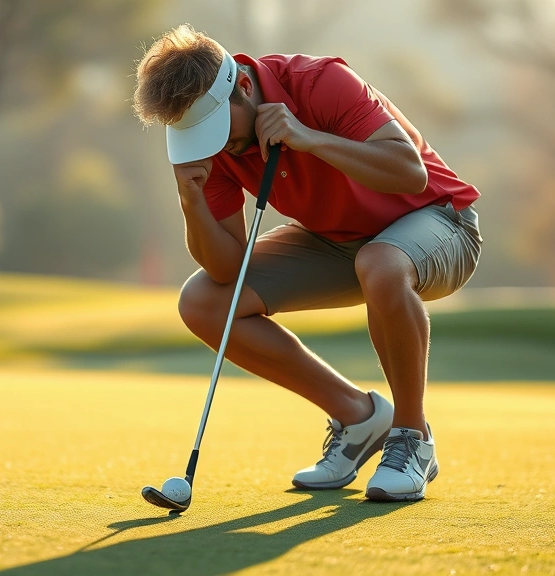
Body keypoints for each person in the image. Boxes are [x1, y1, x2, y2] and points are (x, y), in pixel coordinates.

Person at [132, 25, 482, 501]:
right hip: (338, 242)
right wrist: (191, 201)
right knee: (203, 302)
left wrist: (309, 139)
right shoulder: (212, 149)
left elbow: (409, 171)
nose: (210, 146)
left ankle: (411, 436)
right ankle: (359, 418)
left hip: (439, 221)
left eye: (213, 130)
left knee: (380, 264)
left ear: (246, 88)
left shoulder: (321, 82)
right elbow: (227, 272)